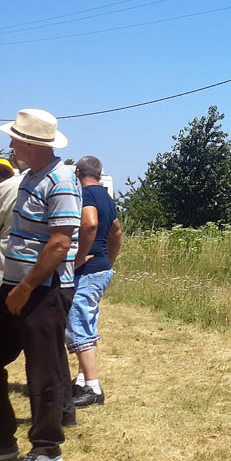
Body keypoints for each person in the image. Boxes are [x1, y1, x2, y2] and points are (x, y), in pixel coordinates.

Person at [0, 109, 82, 461]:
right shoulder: (29, 178)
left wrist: (25, 287)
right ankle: (4, 442)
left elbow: (60, 242)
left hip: (44, 291)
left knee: (43, 372)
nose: (11, 145)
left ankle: (47, 449)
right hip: (14, 286)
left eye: (16, 139)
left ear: (32, 143)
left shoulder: (61, 180)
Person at [66, 156, 121, 408]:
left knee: (78, 324)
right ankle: (81, 380)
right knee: (87, 322)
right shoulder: (107, 198)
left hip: (87, 271)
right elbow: (116, 231)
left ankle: (93, 388)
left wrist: (79, 257)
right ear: (99, 174)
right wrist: (109, 259)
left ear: (77, 172)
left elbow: (89, 224)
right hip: (101, 268)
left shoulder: (85, 194)